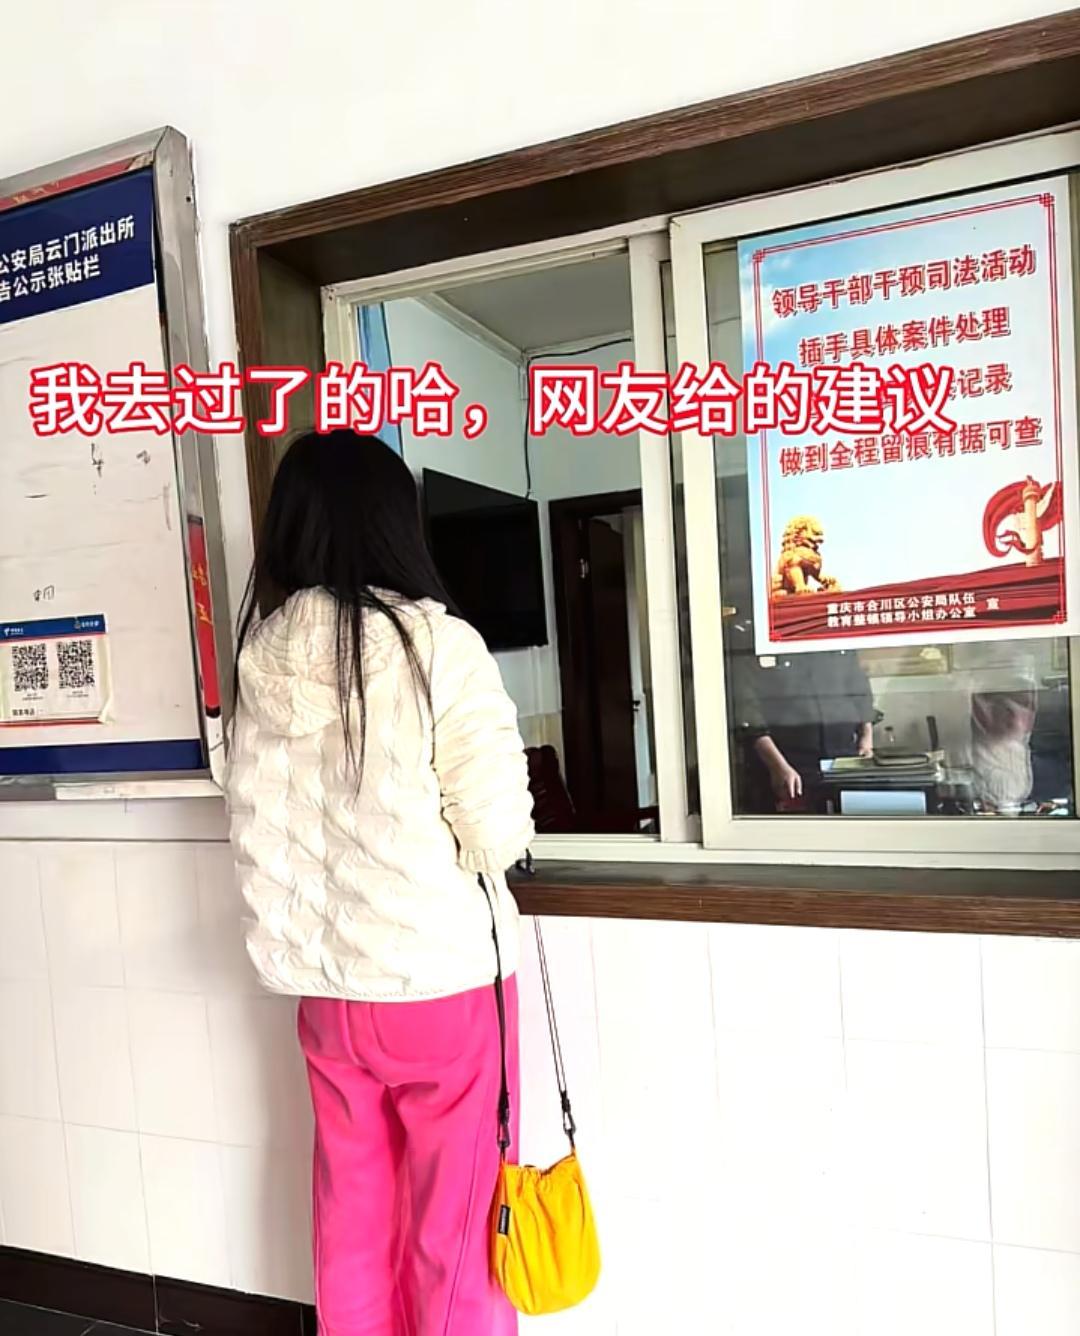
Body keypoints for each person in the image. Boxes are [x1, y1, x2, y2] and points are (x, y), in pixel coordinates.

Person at [226, 430, 535, 1336]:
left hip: (327, 998)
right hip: (438, 986)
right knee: (458, 1226)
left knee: (352, 1214)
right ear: (397, 525)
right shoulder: (440, 645)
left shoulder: (260, 659)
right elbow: (497, 831)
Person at [728, 616, 875, 812]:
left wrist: (866, 738)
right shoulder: (756, 636)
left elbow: (858, 688)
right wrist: (777, 765)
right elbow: (747, 710)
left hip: (844, 757)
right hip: (787, 764)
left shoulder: (832, 630)